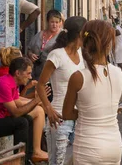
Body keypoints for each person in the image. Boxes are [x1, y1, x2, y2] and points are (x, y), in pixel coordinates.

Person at [62, 20, 122, 164]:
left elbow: (67, 114)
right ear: (109, 44)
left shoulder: (78, 77)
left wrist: (89, 113)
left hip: (88, 146)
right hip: (114, 145)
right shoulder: (118, 73)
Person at [37, 16, 87, 165]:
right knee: (57, 162)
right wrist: (48, 109)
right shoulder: (57, 55)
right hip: (59, 118)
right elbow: (40, 85)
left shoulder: (82, 55)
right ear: (80, 34)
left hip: (79, 117)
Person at [0, 57, 48, 163]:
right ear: (18, 73)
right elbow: (16, 113)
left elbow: (18, 103)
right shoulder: (4, 84)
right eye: (28, 73)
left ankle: (27, 158)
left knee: (28, 119)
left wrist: (40, 102)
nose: (30, 77)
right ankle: (18, 161)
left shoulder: (12, 83)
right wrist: (35, 101)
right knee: (21, 122)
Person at [27, 9, 63, 80]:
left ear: (60, 23)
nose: (54, 25)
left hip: (53, 76)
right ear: (47, 22)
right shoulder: (39, 35)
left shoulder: (62, 36)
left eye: (57, 22)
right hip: (36, 74)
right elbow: (29, 49)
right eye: (52, 22)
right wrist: (31, 55)